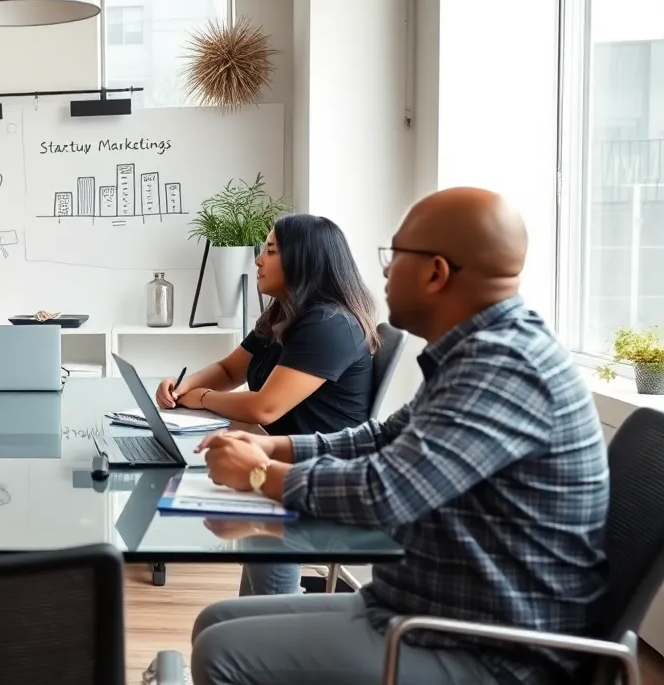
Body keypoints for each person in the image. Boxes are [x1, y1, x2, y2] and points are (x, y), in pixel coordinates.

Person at [189, 187, 608, 685]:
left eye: (394, 255)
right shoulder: (475, 352)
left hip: (490, 644)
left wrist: (260, 475)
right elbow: (383, 437)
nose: (384, 271)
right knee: (213, 623)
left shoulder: (504, 367)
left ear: (436, 272)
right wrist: (274, 446)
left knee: (223, 651)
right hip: (427, 604)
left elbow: (385, 492)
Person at [154, 213, 379, 596]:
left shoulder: (330, 324)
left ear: (304, 260)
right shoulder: (283, 312)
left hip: (313, 465)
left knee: (264, 596)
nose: (258, 259)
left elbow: (265, 409)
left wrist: (202, 399)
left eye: (270, 251)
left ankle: (276, 632)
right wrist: (184, 384)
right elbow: (229, 368)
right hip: (275, 448)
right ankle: (257, 623)